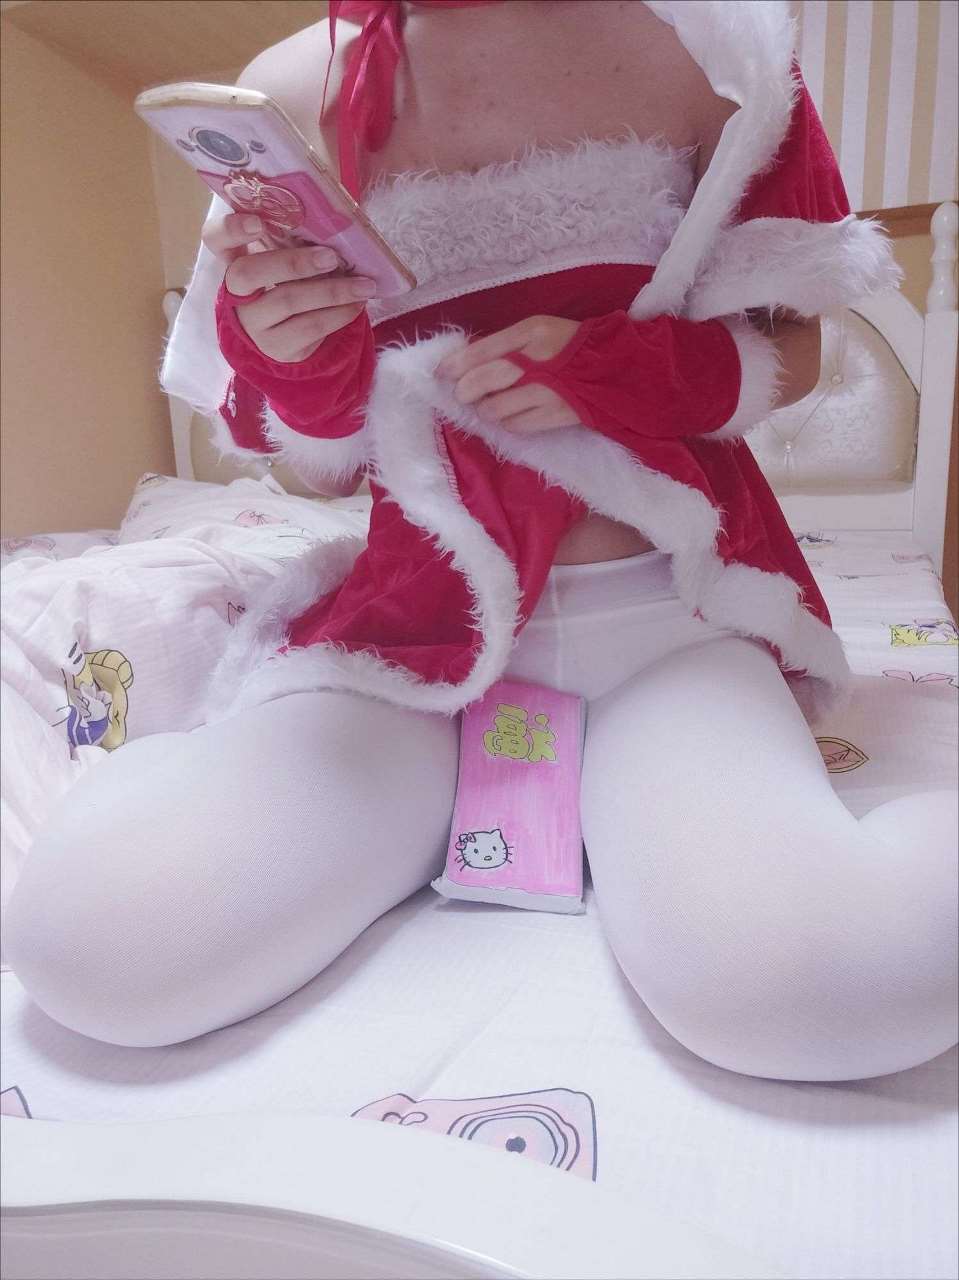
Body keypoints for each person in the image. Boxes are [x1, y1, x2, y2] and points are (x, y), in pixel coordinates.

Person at [6, 0, 957, 1081]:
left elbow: (792, 349)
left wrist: (619, 371)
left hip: (672, 618)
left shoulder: (717, 42)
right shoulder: (285, 89)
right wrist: (295, 356)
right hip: (412, 639)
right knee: (90, 950)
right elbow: (318, 465)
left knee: (826, 988)